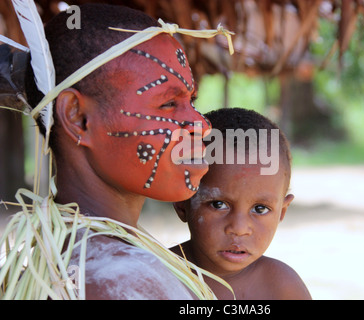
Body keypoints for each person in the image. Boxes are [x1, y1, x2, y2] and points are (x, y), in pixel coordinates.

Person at [23, 4, 214, 299]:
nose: (201, 124)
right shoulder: (118, 283)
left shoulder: (78, 261)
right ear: (78, 118)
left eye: (192, 101)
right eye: (168, 104)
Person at [171, 107, 312, 300]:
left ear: (282, 211)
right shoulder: (156, 276)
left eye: (260, 209)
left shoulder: (281, 288)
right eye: (219, 204)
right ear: (181, 203)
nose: (239, 228)